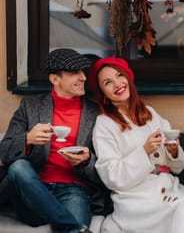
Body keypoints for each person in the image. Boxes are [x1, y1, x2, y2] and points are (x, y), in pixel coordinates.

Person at [88, 57, 184, 233]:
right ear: (103, 93)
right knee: (183, 207)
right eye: (108, 82)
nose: (117, 84)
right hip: (135, 199)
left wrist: (173, 152)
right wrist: (144, 151)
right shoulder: (104, 124)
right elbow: (110, 175)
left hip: (169, 187)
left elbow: (177, 168)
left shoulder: (149, 113)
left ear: (128, 77)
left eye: (120, 75)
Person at [0, 48, 111, 233]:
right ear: (54, 79)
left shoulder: (95, 113)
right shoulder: (30, 107)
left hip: (74, 189)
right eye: (75, 73)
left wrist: (87, 160)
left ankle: (71, 226)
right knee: (18, 168)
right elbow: (5, 151)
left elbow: (106, 164)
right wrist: (28, 139)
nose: (83, 77)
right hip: (33, 189)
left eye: (83, 72)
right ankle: (74, 227)